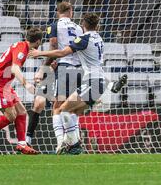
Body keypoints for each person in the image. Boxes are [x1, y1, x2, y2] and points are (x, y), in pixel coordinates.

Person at [29, 13, 108, 155]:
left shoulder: (84, 39)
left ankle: (74, 145)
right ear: (97, 26)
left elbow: (62, 52)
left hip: (93, 82)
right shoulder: (99, 38)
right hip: (95, 81)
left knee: (63, 109)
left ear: (84, 25)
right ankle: (71, 145)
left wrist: (38, 54)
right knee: (72, 111)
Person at [27, 2, 83, 152]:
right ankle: (74, 142)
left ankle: (61, 144)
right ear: (70, 11)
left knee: (57, 107)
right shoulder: (79, 28)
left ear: (57, 12)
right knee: (72, 108)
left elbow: (53, 45)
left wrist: (44, 68)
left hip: (63, 66)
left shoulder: (53, 25)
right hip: (79, 69)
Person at [0, 27, 44, 155]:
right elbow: (15, 68)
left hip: (6, 86)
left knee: (22, 112)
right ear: (38, 42)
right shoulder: (22, 49)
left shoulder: (22, 46)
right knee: (11, 116)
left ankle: (22, 144)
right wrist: (27, 84)